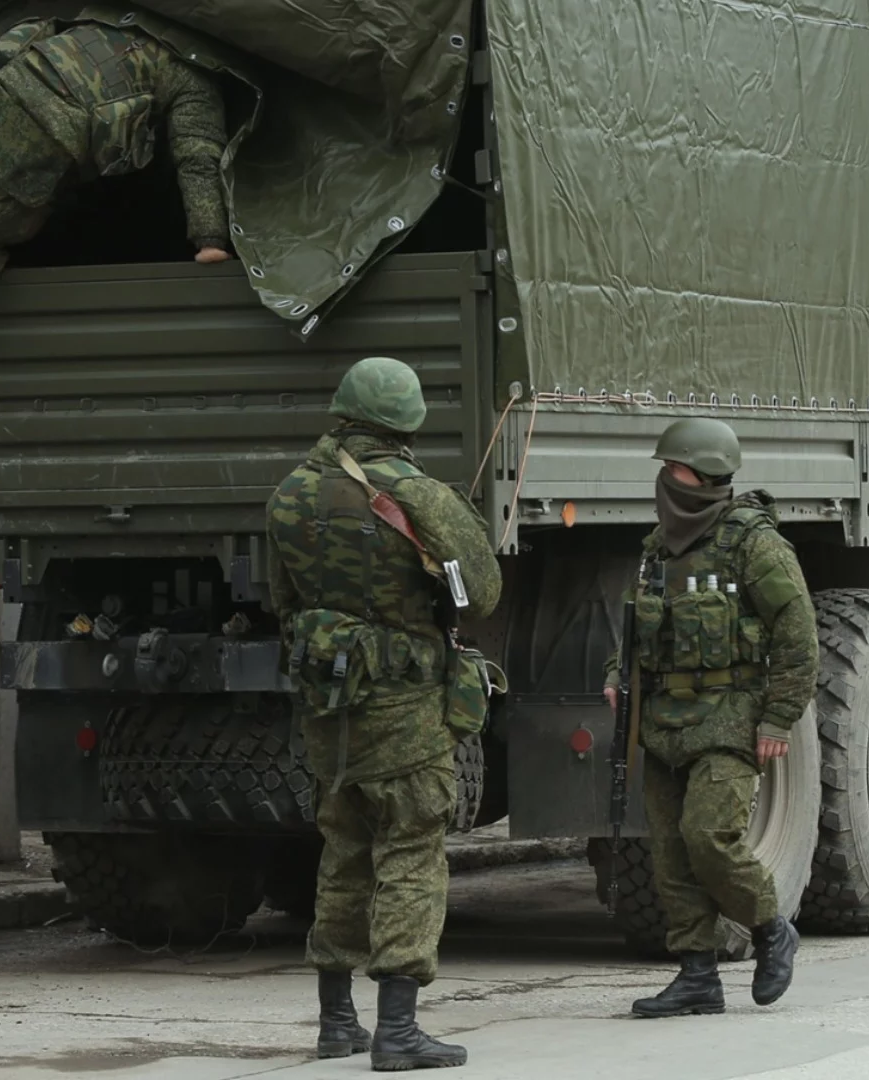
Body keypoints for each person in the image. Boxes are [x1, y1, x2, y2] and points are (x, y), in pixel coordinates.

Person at [265, 357, 502, 1071]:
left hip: (330, 708)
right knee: (410, 853)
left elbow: (284, 604)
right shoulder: (417, 496)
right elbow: (482, 595)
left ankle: (337, 1020)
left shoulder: (290, 496)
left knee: (343, 852)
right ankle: (397, 1030)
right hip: (405, 709)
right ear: (407, 425)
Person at [0, 16, 232, 370]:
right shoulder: (192, 77)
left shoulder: (113, 20)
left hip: (10, 87)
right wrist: (209, 237)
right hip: (54, 138)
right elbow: (197, 158)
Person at [603, 417, 817, 1014]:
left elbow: (798, 633)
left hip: (729, 715)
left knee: (708, 836)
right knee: (669, 850)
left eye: (670, 469)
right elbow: (633, 631)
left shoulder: (754, 543)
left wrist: (778, 719)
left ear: (698, 477)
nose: (663, 480)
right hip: (665, 719)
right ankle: (696, 974)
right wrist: (618, 679)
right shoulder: (654, 551)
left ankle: (772, 927)